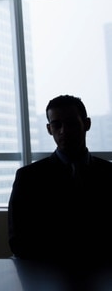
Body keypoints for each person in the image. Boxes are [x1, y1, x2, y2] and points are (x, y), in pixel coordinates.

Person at [8, 94, 112, 261]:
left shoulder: (108, 174)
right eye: (57, 125)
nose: (64, 130)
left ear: (87, 124)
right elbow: (18, 240)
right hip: (48, 274)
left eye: (71, 123)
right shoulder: (29, 178)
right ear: (49, 129)